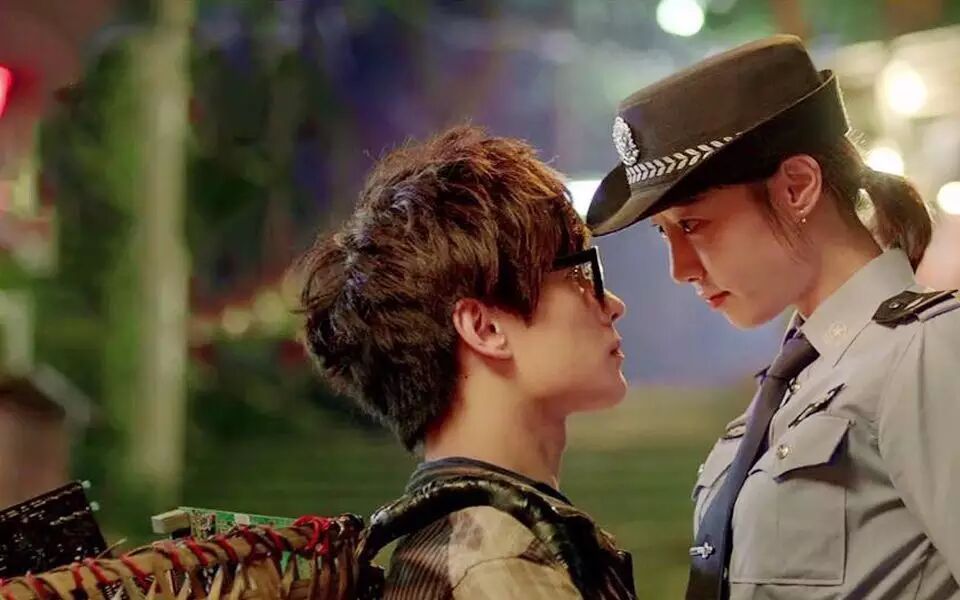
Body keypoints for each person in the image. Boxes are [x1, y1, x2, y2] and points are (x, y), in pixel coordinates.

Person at [587, 35, 960, 599]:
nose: (680, 269)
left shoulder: (927, 354)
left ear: (797, 187)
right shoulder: (798, 382)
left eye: (693, 225)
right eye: (664, 234)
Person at [297, 125, 636, 599]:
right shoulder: (499, 568)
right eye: (579, 273)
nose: (613, 304)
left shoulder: (462, 539)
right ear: (485, 328)